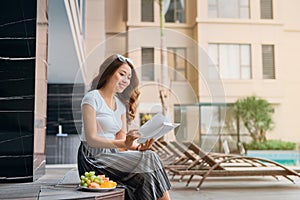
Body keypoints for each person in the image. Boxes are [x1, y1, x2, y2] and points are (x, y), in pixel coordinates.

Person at [77, 54, 171, 200]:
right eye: (122, 74)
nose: (126, 81)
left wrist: (139, 147)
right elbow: (91, 139)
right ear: (108, 72)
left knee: (146, 172)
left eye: (128, 77)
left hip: (113, 155)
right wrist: (122, 143)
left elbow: (123, 141)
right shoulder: (92, 98)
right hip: (93, 157)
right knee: (150, 159)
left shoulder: (120, 105)